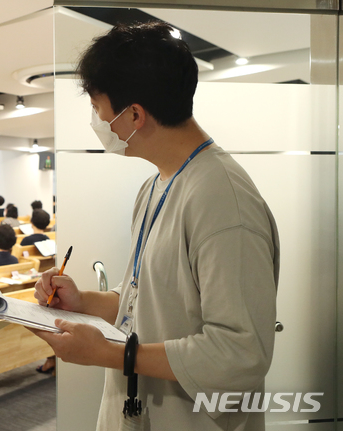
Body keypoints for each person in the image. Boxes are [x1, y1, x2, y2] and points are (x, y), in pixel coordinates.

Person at [31, 23, 279, 431]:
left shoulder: (223, 200)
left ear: (133, 116)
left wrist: (112, 354)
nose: (97, 121)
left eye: (99, 110)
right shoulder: (156, 185)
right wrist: (84, 302)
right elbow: (145, 301)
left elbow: (241, 352)